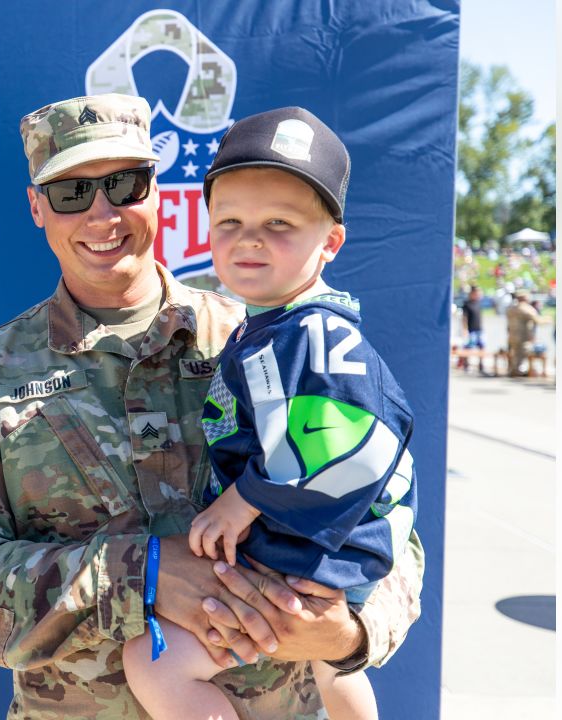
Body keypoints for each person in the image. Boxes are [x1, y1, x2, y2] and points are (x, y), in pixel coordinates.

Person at [0, 93, 425, 719]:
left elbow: (385, 518)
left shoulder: (264, 339)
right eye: (71, 193)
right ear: (37, 208)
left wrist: (348, 634)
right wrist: (138, 575)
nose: (102, 215)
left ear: (157, 194)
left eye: (124, 184)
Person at [120, 107, 417, 720]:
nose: (249, 238)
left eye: (279, 223)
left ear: (330, 242)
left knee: (154, 662)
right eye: (229, 221)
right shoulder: (272, 328)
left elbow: (350, 444)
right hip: (311, 558)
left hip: (301, 557)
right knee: (330, 668)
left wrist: (245, 498)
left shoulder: (313, 336)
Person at [506, 290, 550, 376]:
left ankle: (514, 370)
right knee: (524, 353)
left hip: (512, 335)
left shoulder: (511, 309)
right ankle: (521, 371)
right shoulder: (526, 308)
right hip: (523, 336)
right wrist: (549, 319)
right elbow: (538, 320)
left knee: (516, 354)